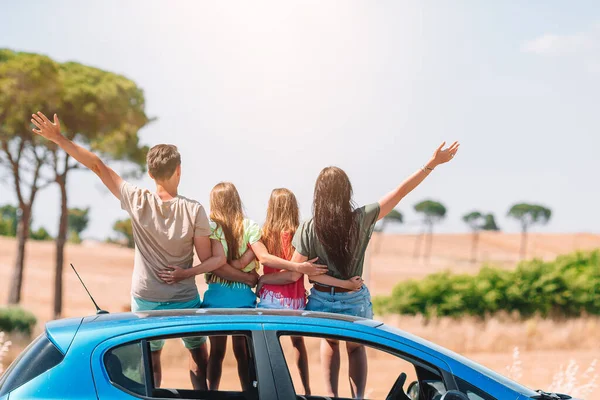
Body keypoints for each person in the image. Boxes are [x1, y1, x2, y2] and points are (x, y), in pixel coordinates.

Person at [30, 112, 254, 390]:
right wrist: (190, 272)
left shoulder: (135, 199)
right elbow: (209, 260)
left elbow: (98, 166)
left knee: (150, 357)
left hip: (146, 299)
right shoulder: (194, 210)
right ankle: (201, 396)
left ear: (149, 173)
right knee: (198, 353)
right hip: (184, 298)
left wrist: (58, 137)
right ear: (179, 170)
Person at [290, 141, 459, 399]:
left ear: (319, 194)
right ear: (346, 191)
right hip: (354, 298)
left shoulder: (309, 227)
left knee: (330, 344)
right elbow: (400, 192)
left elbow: (296, 266)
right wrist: (431, 165)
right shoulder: (362, 217)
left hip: (321, 297)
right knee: (356, 349)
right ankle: (357, 399)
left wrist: (311, 275)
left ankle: (331, 397)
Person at [252, 188, 363, 396]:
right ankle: (306, 388)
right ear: (293, 207)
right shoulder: (299, 232)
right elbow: (298, 271)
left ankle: (265, 386)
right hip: (294, 299)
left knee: (266, 342)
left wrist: (262, 278)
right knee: (297, 343)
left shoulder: (264, 233)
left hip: (270, 297)